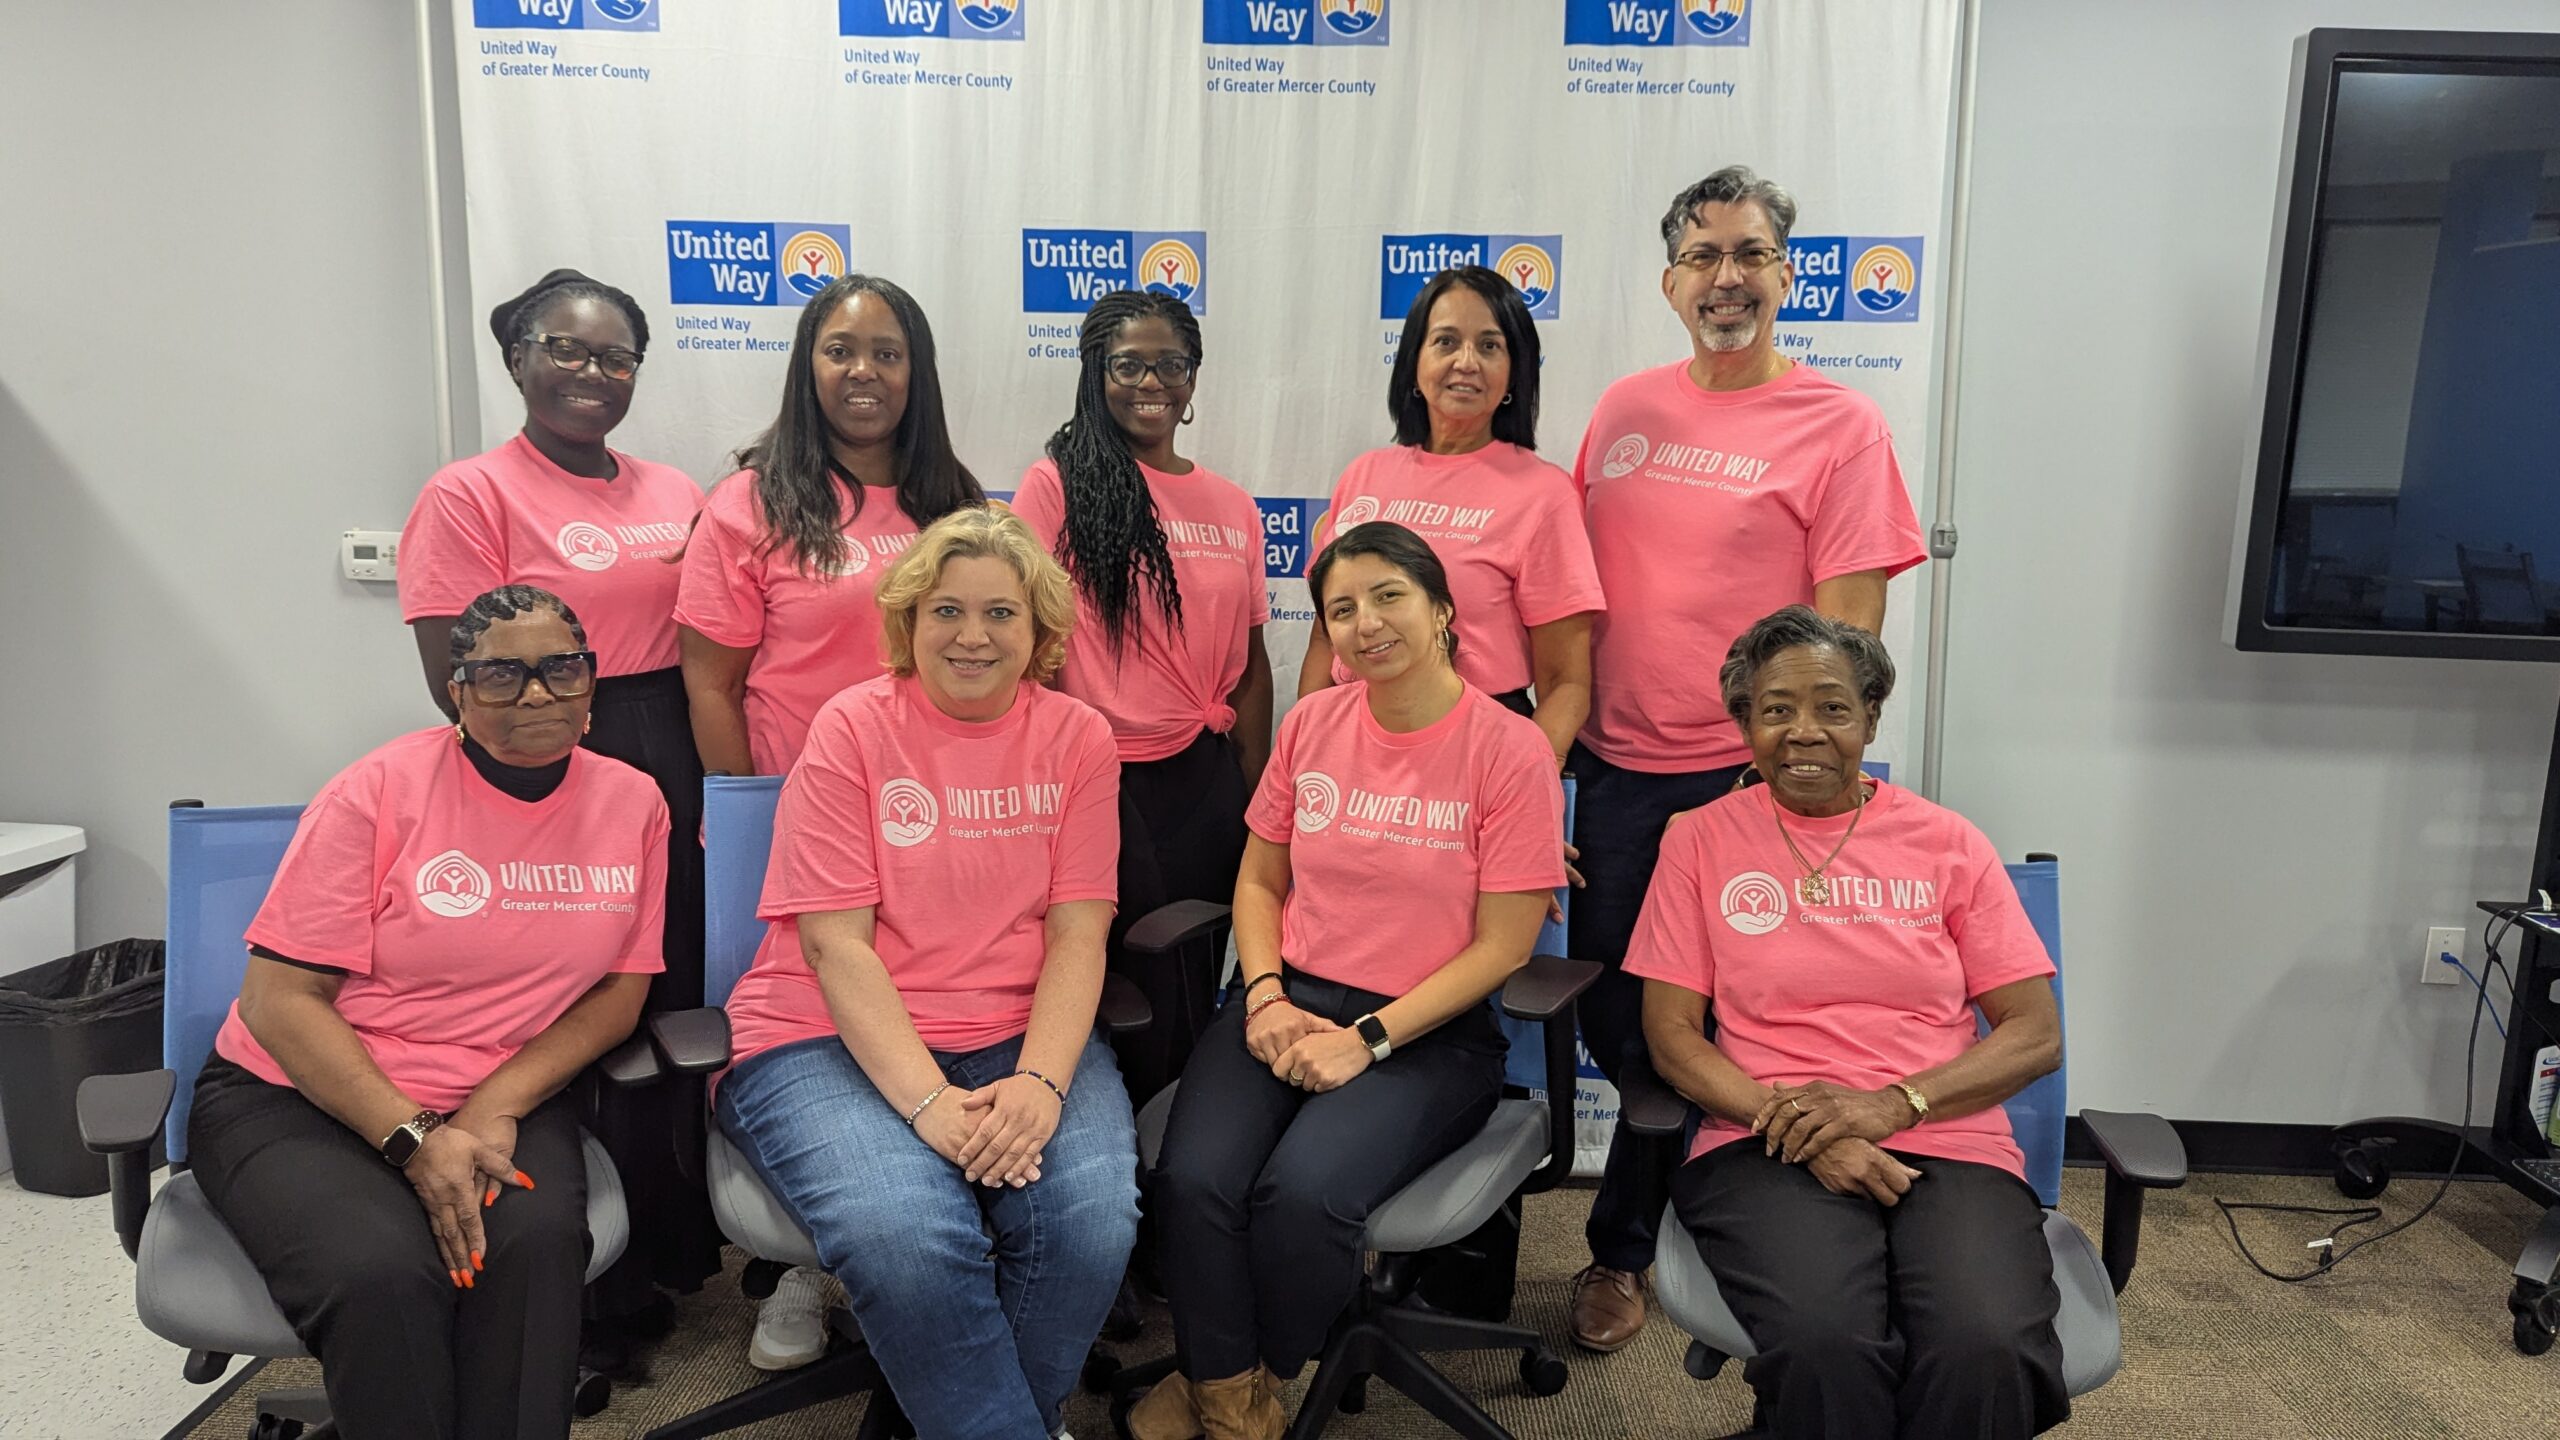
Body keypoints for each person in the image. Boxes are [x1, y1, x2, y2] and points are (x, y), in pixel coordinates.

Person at [1565, 167, 1928, 1353]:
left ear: (1785, 274)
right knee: (1622, 1026)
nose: (1727, 277)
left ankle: (1632, 1248)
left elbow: (1850, 638)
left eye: (1751, 254)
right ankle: (1685, 1213)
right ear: (1670, 281)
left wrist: (1777, 780)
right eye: (1703, 255)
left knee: (1729, 1027)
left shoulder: (1839, 424)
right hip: (1613, 776)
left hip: (1746, 788)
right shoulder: (1622, 410)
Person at [188, 585, 667, 1440]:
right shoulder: (377, 791)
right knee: (382, 1275)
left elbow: (618, 995)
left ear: (591, 682)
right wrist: (414, 1138)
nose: (536, 694)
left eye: (562, 669)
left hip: (499, 1090)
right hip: (301, 1097)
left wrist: (496, 1102)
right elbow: (277, 999)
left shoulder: (635, 803)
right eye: (501, 675)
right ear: (457, 691)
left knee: (531, 1251)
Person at [716, 507, 1140, 1440]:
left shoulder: (1078, 737)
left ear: (1039, 631)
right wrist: (929, 1105)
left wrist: (1040, 1082)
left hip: (1014, 1029)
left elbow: (1079, 934)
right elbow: (836, 947)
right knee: (909, 1238)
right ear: (908, 621)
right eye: (946, 610)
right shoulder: (852, 727)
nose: (972, 636)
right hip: (824, 1033)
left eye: (1000, 613)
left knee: (1089, 1223)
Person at [1136, 522, 1564, 1440]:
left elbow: (1504, 947)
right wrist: (1263, 995)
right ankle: (1230, 1396)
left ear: (1442, 610)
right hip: (1287, 998)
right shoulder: (1312, 724)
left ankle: (1247, 1380)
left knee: (1302, 1195)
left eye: (1388, 596)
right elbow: (1260, 881)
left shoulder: (1511, 750)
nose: (1365, 623)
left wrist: (1366, 1040)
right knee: (1195, 1177)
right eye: (1341, 609)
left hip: (1428, 1033)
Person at [1630, 606, 2067, 1439]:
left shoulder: (1949, 843)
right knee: (1825, 1344)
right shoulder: (1698, 843)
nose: (1804, 731)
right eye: (1776, 709)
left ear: (1869, 716)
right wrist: (1804, 1128)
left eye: (1831, 707)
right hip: (1763, 1141)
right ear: (1745, 725)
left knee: (1987, 1346)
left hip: (1949, 1138)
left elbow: (2034, 1032)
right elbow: (1672, 1036)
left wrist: (1891, 1105)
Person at [397, 268, 719, 1357]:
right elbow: (454, 680)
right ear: (517, 359)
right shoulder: (470, 494)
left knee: (667, 993)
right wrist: (552, 757)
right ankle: (575, 1275)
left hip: (675, 746)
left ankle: (671, 1241)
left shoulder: (674, 488)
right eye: (566, 349)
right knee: (564, 997)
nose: (592, 371)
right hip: (549, 757)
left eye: (616, 356)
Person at [1012, 290, 1271, 1104]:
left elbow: (1253, 665)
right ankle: (1107, 1145)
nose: (1151, 382)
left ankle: (1182, 1151)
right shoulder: (1055, 486)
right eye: (1128, 365)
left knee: (1195, 979)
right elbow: (1029, 648)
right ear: (1096, 372)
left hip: (1208, 779)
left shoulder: (1234, 505)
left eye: (1171, 365)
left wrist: (1257, 795)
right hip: (1099, 778)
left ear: (1193, 377)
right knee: (1122, 985)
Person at [678, 273, 985, 781]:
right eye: (839, 352)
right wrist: (747, 812)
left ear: (916, 374)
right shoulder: (749, 505)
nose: (863, 371)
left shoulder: (956, 503)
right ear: (809, 368)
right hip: (795, 796)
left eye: (887, 354)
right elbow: (714, 689)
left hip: (937, 796)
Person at [1298, 265, 1601, 767]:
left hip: (1478, 753)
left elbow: (1565, 683)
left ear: (1514, 371)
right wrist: (1308, 751)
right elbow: (1323, 640)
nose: (1466, 362)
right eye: (1445, 341)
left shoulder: (1544, 493)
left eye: (1489, 345)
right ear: (1414, 359)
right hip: (1354, 749)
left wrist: (1526, 781)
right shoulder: (1364, 475)